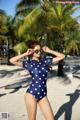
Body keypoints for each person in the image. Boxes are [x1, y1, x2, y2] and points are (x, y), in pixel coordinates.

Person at [9, 40, 65, 120]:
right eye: (36, 51)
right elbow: (11, 60)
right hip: (31, 94)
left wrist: (49, 51)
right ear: (32, 52)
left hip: (43, 94)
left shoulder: (45, 61)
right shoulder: (29, 64)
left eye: (40, 50)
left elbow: (62, 56)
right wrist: (25, 53)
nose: (39, 52)